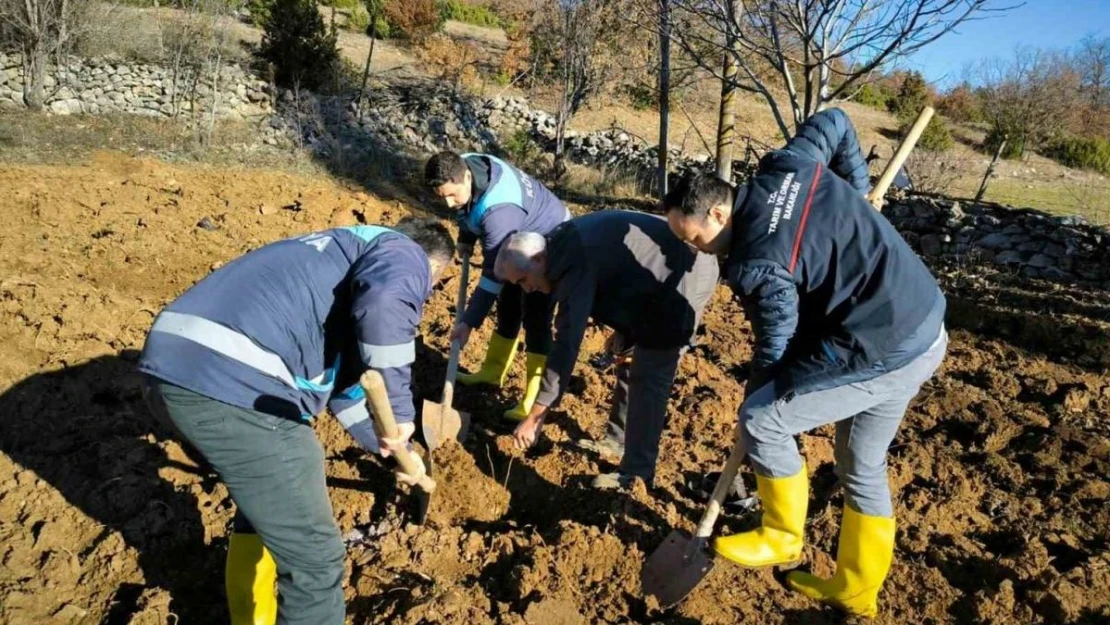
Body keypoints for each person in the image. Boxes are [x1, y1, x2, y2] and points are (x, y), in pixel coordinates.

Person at [663, 108, 947, 618]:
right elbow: (835, 121)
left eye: (693, 238)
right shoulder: (788, 164)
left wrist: (756, 405)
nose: (695, 249)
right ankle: (857, 592)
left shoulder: (757, 263)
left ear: (719, 215)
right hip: (925, 321)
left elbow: (776, 345)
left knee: (762, 420)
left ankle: (781, 535)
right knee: (860, 459)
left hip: (882, 344)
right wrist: (857, 191)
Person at [137, 218, 455, 625]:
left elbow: (346, 392)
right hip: (231, 381)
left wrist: (397, 449)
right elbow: (384, 303)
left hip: (172, 371)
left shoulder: (341, 259)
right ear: (432, 269)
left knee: (270, 500)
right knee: (316, 558)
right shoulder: (404, 253)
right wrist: (401, 409)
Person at [498, 210, 719, 489]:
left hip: (687, 273)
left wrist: (536, 415)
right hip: (652, 276)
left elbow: (567, 343)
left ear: (538, 258)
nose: (526, 290)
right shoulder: (560, 249)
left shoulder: (573, 260)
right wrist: (624, 329)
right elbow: (618, 271)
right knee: (626, 354)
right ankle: (617, 440)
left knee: (650, 371)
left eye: (522, 280)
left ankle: (636, 475)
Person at [424, 151, 571, 420]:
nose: (447, 203)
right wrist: (466, 234)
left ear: (466, 177)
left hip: (549, 241)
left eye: (451, 195)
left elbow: (493, 275)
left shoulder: (499, 213)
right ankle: (493, 371)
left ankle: (534, 398)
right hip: (518, 234)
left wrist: (469, 321)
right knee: (508, 305)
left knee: (536, 317)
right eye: (441, 195)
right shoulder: (464, 164)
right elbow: (466, 207)